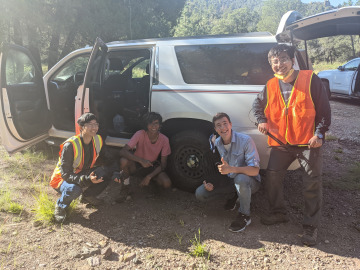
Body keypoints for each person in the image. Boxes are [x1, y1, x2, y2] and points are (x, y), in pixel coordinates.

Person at [252, 44, 331, 246]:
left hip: (308, 144)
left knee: (311, 185)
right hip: (281, 144)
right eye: (275, 61)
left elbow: (325, 110)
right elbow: (256, 105)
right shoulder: (270, 85)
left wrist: (319, 134)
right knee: (273, 178)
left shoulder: (310, 79)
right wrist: (261, 119)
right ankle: (278, 213)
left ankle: (310, 227)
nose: (280, 64)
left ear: (293, 60)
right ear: (271, 64)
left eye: (284, 59)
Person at [195, 112, 261, 233]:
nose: (223, 128)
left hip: (249, 182)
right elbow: (215, 166)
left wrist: (232, 169)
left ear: (230, 124)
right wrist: (208, 182)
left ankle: (244, 215)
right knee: (200, 193)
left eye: (225, 123)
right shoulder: (216, 143)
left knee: (240, 179)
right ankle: (233, 195)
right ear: (215, 129)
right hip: (229, 179)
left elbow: (255, 170)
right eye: (219, 125)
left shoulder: (246, 140)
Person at [50, 113, 116, 223]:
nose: (94, 127)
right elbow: (66, 174)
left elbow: (109, 159)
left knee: (106, 172)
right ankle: (60, 206)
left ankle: (88, 196)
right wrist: (86, 179)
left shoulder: (97, 139)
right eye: (90, 124)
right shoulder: (70, 145)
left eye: (96, 124)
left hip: (82, 173)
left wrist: (117, 172)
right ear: (81, 127)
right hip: (62, 178)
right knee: (75, 189)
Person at [115, 112, 171, 202]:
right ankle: (125, 186)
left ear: (160, 125)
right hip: (137, 164)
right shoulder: (140, 134)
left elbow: (163, 164)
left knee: (166, 183)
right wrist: (141, 160)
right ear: (146, 125)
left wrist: (149, 176)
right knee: (123, 161)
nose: (153, 126)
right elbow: (123, 151)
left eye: (156, 123)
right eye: (150, 123)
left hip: (152, 166)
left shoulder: (164, 139)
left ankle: (152, 184)